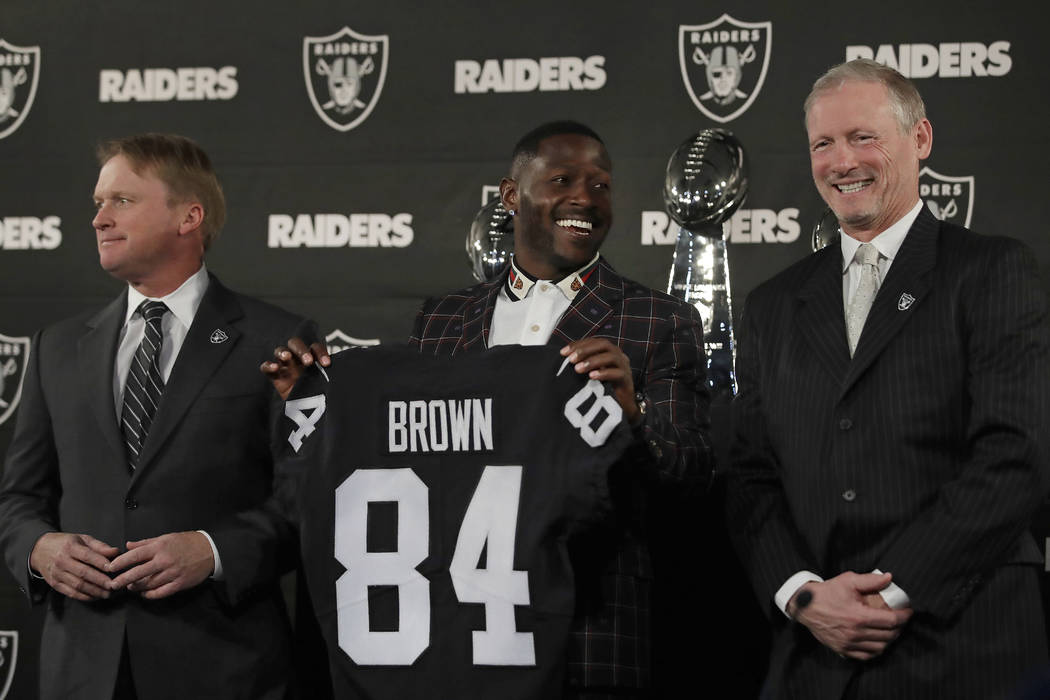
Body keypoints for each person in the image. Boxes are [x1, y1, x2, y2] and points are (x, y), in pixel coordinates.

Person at [266, 120, 714, 697]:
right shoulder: (443, 320)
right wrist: (314, 405)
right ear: (510, 196)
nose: (584, 197)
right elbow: (399, 454)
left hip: (592, 625)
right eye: (561, 179)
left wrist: (633, 416)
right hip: (458, 629)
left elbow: (693, 476)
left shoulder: (658, 319)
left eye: (601, 185)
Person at [726, 59, 1049, 699]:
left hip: (966, 647)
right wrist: (804, 594)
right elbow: (749, 475)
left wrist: (889, 591)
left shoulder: (992, 272)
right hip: (814, 663)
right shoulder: (770, 305)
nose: (842, 160)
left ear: (920, 140)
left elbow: (1017, 454)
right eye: (823, 143)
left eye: (862, 137)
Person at [0, 133, 311, 699]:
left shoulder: (275, 339)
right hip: (82, 672)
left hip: (224, 668)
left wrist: (213, 550)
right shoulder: (57, 348)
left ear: (189, 216)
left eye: (121, 200)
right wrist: (39, 550)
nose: (99, 218)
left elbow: (308, 499)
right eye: (98, 202)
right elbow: (19, 499)